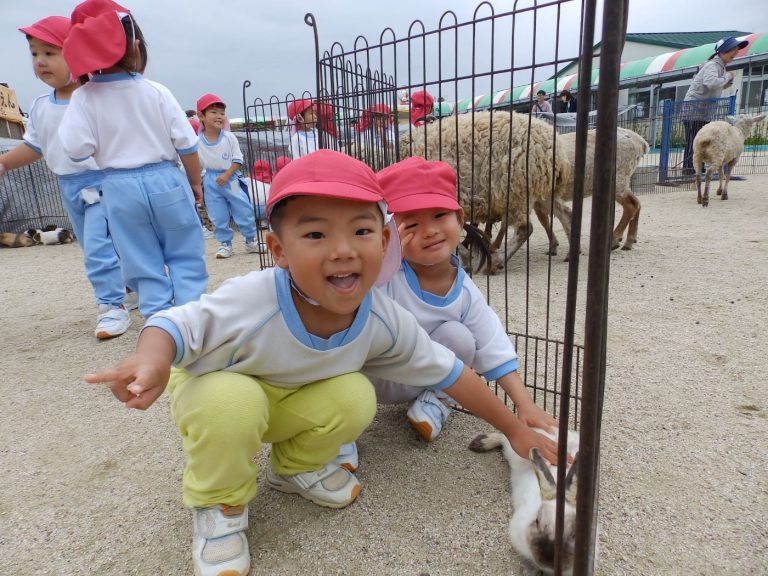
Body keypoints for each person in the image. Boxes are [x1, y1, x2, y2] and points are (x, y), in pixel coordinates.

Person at [85, 149, 560, 576]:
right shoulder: (254, 298)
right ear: (279, 252)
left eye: (361, 231)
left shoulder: (382, 318)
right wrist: (151, 358)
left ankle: (292, 468)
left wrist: (515, 427)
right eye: (315, 233)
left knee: (355, 397)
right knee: (234, 402)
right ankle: (219, 505)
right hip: (220, 394)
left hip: (291, 404)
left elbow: (453, 372)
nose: (343, 249)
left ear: (383, 244)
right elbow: (176, 323)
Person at [334, 157, 559, 469]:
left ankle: (435, 400)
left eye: (439, 215)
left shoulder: (465, 291)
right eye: (410, 224)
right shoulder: (385, 277)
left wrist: (525, 405)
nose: (429, 231)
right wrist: (383, 261)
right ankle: (337, 434)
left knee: (461, 337)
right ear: (387, 234)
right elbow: (347, 304)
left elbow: (492, 343)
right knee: (342, 358)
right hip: (372, 377)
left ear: (460, 217)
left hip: (423, 374)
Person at [59, 0, 208, 319]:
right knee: (184, 249)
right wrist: (195, 182)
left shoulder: (84, 98)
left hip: (117, 185)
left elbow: (75, 148)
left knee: (139, 256)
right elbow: (187, 146)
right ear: (136, 47)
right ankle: (191, 311)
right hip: (166, 178)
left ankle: (157, 317)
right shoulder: (157, 92)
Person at [0, 15, 132, 340]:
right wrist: (3, 163)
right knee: (95, 246)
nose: (40, 62)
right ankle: (131, 287)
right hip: (69, 187)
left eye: (50, 52)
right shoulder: (41, 105)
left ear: (77, 53)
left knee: (103, 246)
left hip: (103, 183)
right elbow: (35, 147)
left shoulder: (96, 96)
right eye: (34, 54)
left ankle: (112, 306)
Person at [196, 93, 260, 259]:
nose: (219, 116)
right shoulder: (197, 142)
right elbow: (197, 165)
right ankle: (225, 244)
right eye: (214, 112)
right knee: (217, 213)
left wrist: (227, 174)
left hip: (231, 179)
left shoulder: (229, 138)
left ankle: (250, 240)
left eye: (222, 113)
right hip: (211, 181)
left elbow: (238, 159)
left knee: (243, 208)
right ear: (201, 116)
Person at [681, 36, 749, 175]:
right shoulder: (712, 65)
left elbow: (715, 86)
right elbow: (711, 83)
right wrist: (728, 77)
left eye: (737, 50)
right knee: (694, 140)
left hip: (702, 111)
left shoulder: (719, 67)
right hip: (695, 110)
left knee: (698, 140)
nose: (735, 53)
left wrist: (726, 81)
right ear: (723, 51)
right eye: (733, 50)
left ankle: (696, 169)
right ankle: (690, 170)